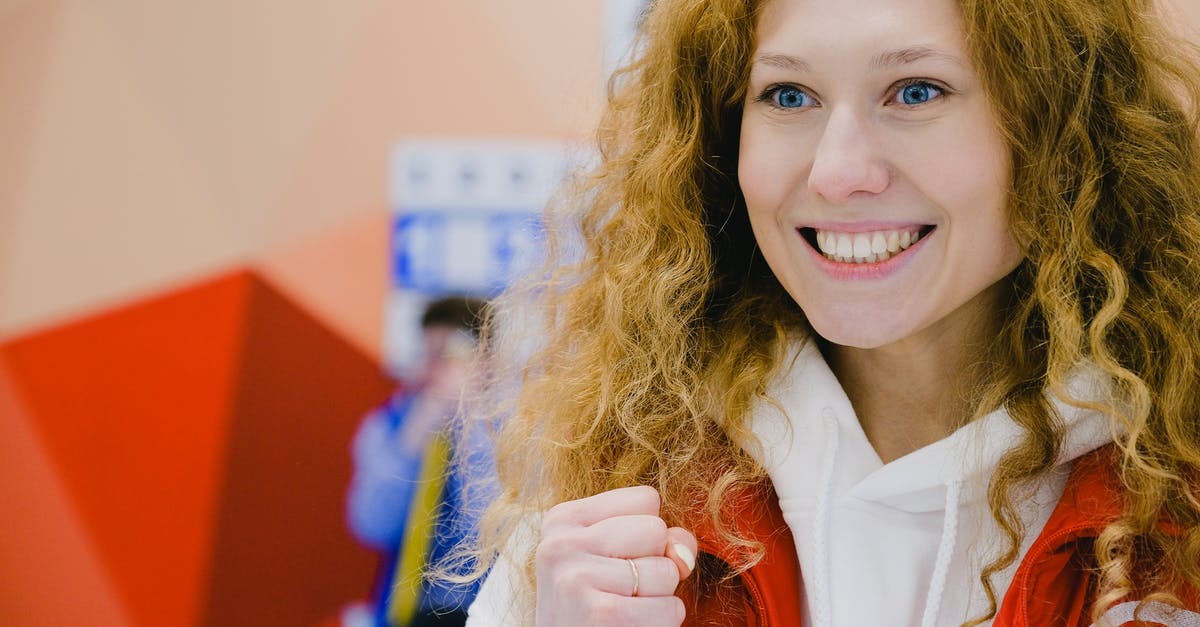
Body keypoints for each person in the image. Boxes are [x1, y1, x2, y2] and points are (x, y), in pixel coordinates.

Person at [462, 0, 1200, 625]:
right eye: (789, 96)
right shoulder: (614, 528)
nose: (838, 172)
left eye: (915, 91)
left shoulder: (1179, 523)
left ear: (1061, 135)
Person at [347, 296, 491, 627]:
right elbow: (372, 525)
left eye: (453, 356)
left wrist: (472, 426)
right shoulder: (390, 424)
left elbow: (492, 529)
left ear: (487, 359)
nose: (439, 370)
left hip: (485, 606)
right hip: (409, 608)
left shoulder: (515, 428)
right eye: (432, 356)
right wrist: (417, 433)